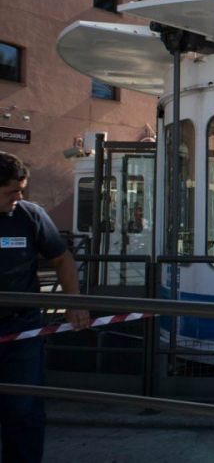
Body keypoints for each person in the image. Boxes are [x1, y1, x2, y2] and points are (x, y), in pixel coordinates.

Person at [0, 152, 89, 463]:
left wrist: (72, 303)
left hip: (21, 328)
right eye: (12, 190)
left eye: (22, 189)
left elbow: (62, 258)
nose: (19, 196)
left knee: (24, 408)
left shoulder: (30, 216)